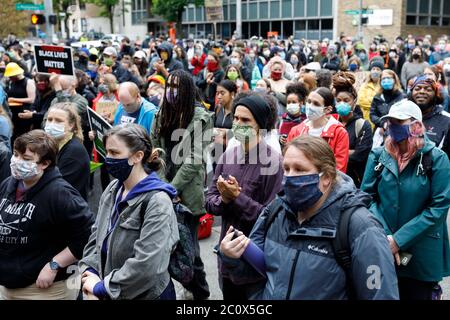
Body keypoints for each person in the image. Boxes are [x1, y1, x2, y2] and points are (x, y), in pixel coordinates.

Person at [219, 135, 399, 300]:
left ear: (326, 177)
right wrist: (232, 256)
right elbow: (254, 274)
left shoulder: (360, 226)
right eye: (286, 169)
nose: (289, 177)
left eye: (299, 169)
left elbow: (380, 294)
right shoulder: (274, 211)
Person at [361, 100, 450, 300]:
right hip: (382, 245)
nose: (393, 126)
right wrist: (386, 237)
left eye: (399, 121)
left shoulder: (437, 158)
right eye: (390, 121)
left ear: (416, 125)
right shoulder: (378, 155)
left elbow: (439, 207)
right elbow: (366, 198)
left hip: (421, 250)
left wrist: (399, 240)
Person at [79, 124, 179, 300]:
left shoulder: (157, 201)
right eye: (107, 151)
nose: (108, 158)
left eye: (115, 153)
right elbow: (96, 236)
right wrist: (90, 272)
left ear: (137, 156)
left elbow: (147, 265)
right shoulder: (113, 188)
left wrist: (102, 288)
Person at [206, 94, 283, 300]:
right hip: (225, 258)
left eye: (246, 120)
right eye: (236, 119)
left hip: (253, 263)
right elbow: (210, 201)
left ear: (261, 125)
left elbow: (271, 217)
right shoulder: (228, 155)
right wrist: (224, 199)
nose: (239, 125)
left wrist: (237, 197)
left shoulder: (273, 163)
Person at [0, 130, 93, 300]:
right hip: (8, 285)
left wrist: (55, 264)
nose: (16, 162)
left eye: (26, 159)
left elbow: (87, 234)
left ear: (44, 163)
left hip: (45, 290)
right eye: (15, 155)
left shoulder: (60, 193)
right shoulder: (9, 184)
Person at [151, 70, 212, 300]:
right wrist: (165, 185)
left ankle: (201, 293)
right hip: (162, 187)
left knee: (191, 252)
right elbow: (154, 152)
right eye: (170, 86)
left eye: (177, 87)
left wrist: (173, 188)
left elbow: (195, 159)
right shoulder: (161, 113)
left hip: (187, 193)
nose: (172, 91)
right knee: (165, 249)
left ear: (187, 90)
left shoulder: (202, 117)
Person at [287, 87, 350, 173]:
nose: (310, 106)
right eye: (309, 102)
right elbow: (287, 162)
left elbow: (339, 169)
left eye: (316, 104)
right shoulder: (296, 131)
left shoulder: (339, 133)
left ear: (328, 109)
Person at [333, 72, 373, 187]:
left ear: (354, 101)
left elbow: (360, 155)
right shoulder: (331, 123)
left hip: (354, 181)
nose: (342, 103)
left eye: (346, 100)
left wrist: (335, 152)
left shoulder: (363, 125)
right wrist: (349, 151)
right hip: (332, 179)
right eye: (339, 100)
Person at [45, 102, 90, 201]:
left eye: (58, 121)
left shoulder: (74, 151)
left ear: (71, 125)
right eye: (49, 119)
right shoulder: (53, 143)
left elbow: (56, 187)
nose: (52, 124)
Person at [408, 75, 450, 159]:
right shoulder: (402, 116)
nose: (422, 91)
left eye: (428, 89)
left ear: (436, 95)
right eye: (417, 88)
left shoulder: (447, 120)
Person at [49, 74, 90, 152]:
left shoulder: (82, 101)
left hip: (71, 143)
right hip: (53, 140)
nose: (61, 91)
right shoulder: (55, 100)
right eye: (60, 88)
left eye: (63, 88)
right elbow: (46, 118)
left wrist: (58, 90)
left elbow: (68, 110)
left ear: (73, 85)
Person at [4, 62, 35, 142]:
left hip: (24, 113)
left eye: (11, 76)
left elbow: (31, 99)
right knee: (13, 135)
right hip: (13, 113)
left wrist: (14, 99)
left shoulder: (28, 82)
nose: (10, 78)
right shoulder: (12, 82)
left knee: (23, 136)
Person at [212, 80, 238, 164]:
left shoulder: (238, 111)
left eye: (222, 93)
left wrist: (225, 134)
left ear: (232, 94)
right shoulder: (218, 109)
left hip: (233, 156)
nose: (219, 96)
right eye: (217, 93)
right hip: (217, 154)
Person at [279, 82, 308, 147]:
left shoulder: (306, 121)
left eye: (294, 102)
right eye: (288, 102)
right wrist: (280, 139)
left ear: (301, 103)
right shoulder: (282, 119)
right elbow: (276, 133)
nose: (291, 104)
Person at [357, 60, 382, 124]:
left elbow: (382, 103)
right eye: (373, 69)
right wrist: (375, 103)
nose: (375, 71)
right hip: (366, 118)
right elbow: (361, 101)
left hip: (379, 119)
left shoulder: (383, 86)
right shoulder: (365, 85)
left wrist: (369, 100)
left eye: (378, 69)